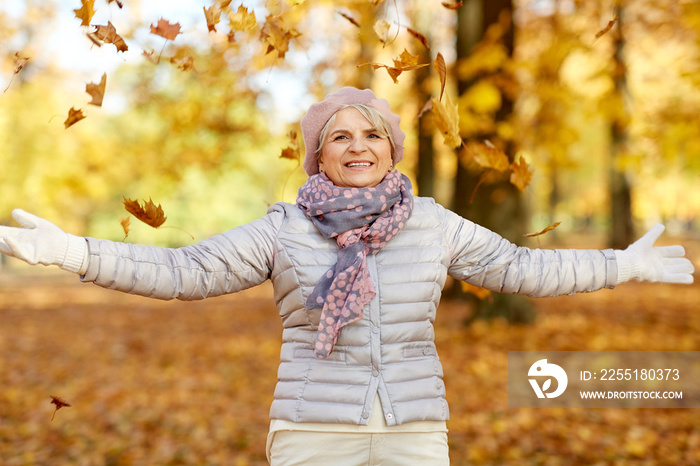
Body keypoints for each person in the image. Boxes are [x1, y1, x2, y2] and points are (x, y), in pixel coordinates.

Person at [0, 87, 694, 466]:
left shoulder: (431, 222)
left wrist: (622, 264)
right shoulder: (284, 228)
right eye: (339, 135)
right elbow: (185, 269)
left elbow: (523, 267)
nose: (357, 146)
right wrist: (75, 253)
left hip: (414, 431)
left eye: (371, 135)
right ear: (317, 156)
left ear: (390, 149)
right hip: (311, 432)